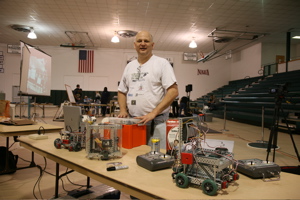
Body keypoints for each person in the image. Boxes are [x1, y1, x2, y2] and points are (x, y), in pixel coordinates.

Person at [117, 30, 178, 149]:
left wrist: (153, 113)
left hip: (156, 121)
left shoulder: (162, 63)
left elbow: (173, 91)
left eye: (146, 41)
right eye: (139, 41)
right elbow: (121, 91)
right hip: (134, 120)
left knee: (156, 156)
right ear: (134, 45)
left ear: (152, 45)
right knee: (133, 154)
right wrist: (123, 110)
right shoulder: (130, 66)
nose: (143, 43)